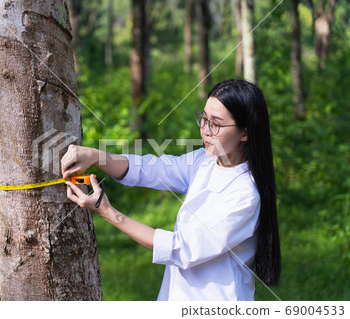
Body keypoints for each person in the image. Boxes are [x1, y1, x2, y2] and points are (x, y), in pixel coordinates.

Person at [61, 79, 281, 301]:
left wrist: (108, 213)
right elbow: (150, 169)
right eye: (203, 119)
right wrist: (96, 156)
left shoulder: (244, 195)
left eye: (216, 124)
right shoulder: (204, 160)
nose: (205, 130)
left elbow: (182, 250)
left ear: (245, 132)